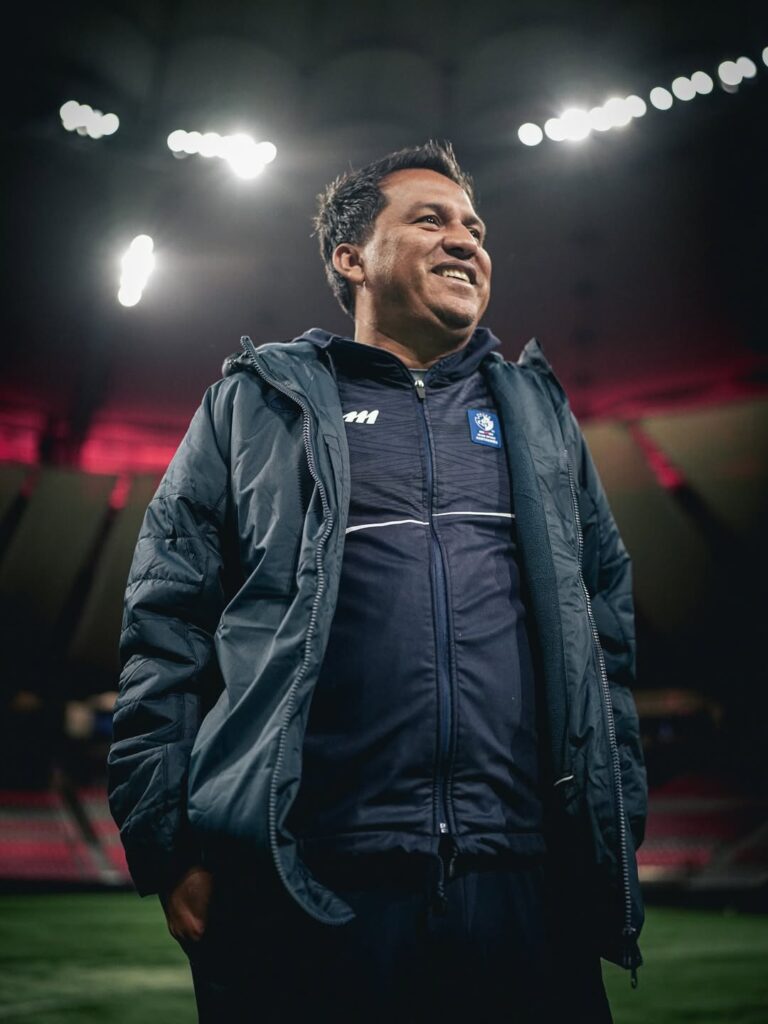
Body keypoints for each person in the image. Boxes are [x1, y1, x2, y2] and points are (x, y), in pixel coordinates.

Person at [108, 140, 647, 1023]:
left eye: (475, 228)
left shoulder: (541, 417)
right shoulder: (252, 407)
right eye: (431, 220)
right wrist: (168, 845)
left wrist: (612, 825)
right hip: (306, 876)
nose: (465, 240)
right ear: (351, 258)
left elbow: (606, 638)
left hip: (523, 879)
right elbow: (164, 630)